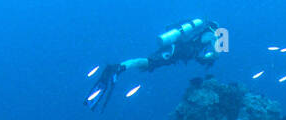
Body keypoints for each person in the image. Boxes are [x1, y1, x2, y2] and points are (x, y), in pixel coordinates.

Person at [86, 17, 221, 111]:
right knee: (148, 63)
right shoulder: (212, 35)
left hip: (172, 46)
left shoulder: (195, 29)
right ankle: (118, 68)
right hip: (177, 52)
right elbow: (215, 55)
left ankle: (121, 66)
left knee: (147, 62)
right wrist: (208, 56)